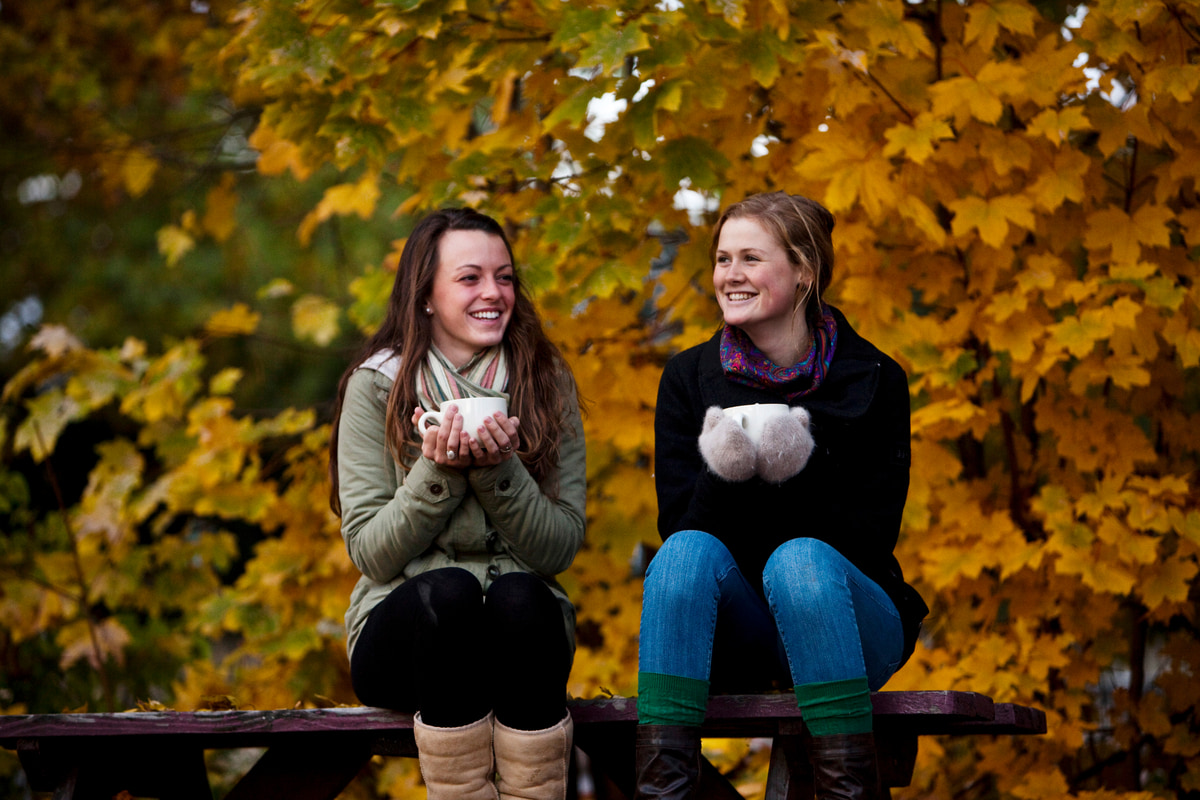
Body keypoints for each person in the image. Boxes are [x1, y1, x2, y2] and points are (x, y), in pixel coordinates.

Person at [635, 192, 928, 800]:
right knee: (685, 553)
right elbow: (679, 538)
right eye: (722, 259)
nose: (729, 275)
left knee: (799, 560)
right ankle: (662, 790)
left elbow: (872, 539)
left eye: (750, 258)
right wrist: (726, 470)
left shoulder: (873, 377)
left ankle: (845, 792)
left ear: (804, 273)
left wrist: (800, 467)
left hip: (845, 621)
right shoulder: (688, 380)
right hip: (736, 634)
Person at [329, 208, 587, 800]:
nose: (493, 293)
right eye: (470, 278)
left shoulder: (546, 380)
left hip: (520, 639)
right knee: (450, 593)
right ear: (425, 295)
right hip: (408, 633)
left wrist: (501, 469)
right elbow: (371, 552)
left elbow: (559, 545)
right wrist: (437, 469)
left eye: (505, 277)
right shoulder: (375, 385)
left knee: (522, 596)